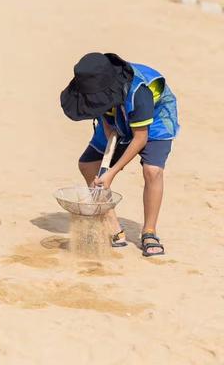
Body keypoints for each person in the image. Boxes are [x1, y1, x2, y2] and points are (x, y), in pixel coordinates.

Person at [60, 53, 179, 257]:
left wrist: (112, 172)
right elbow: (99, 109)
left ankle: (149, 232)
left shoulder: (139, 93)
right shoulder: (95, 85)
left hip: (156, 118)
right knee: (87, 165)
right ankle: (113, 226)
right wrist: (110, 130)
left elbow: (140, 138)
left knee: (152, 171)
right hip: (117, 116)